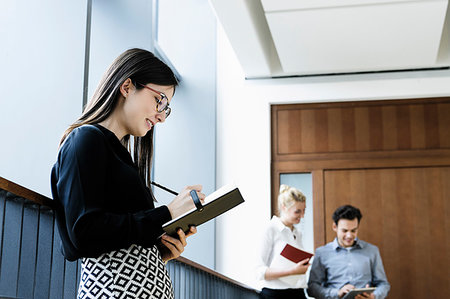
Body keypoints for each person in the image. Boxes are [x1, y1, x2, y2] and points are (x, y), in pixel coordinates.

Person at [50, 48, 205, 299]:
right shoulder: (85, 139)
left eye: (167, 108)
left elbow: (116, 236)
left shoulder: (118, 154)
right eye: (160, 100)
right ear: (127, 87)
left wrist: (158, 252)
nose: (162, 116)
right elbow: (83, 234)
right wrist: (167, 213)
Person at [307, 205, 390, 299]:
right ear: (335, 227)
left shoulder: (372, 251)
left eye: (354, 231)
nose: (349, 235)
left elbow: (383, 284)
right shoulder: (322, 253)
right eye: (344, 231)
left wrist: (373, 296)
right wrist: (337, 293)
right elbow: (312, 288)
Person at [255, 184, 311, 299]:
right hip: (275, 294)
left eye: (304, 211)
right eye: (298, 211)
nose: (302, 215)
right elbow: (259, 272)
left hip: (298, 292)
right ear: (284, 207)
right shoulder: (270, 229)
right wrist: (292, 271)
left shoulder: (297, 233)